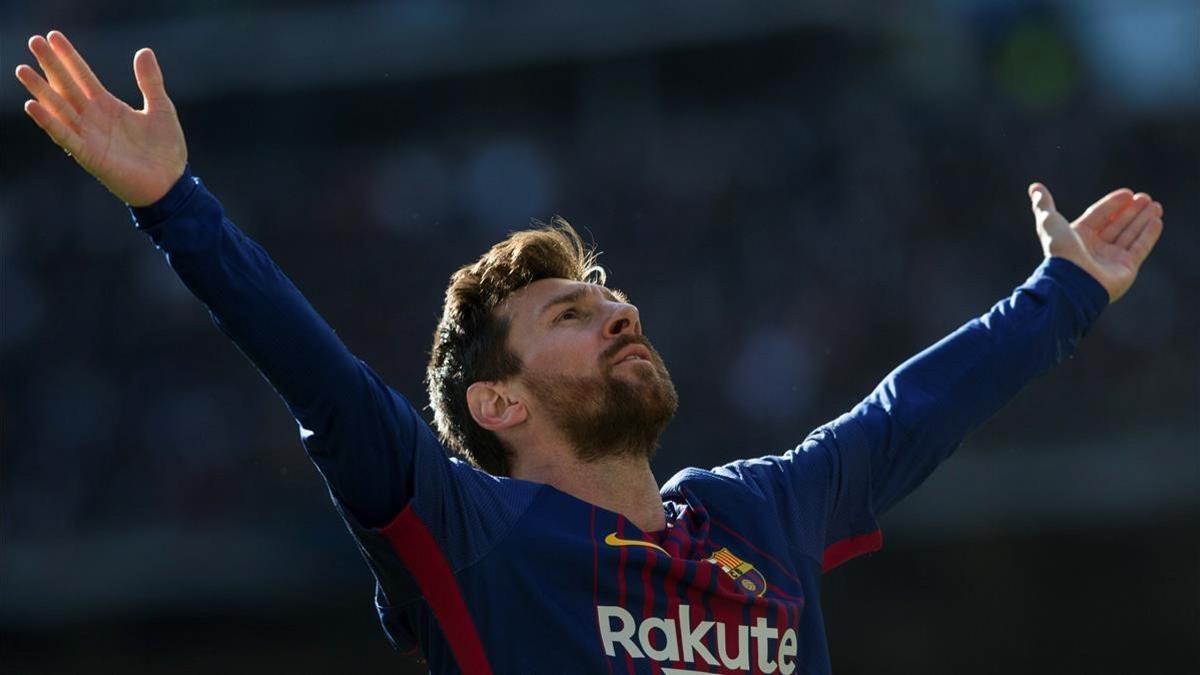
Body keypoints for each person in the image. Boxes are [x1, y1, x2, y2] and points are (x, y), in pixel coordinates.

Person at [16, 31, 1164, 675]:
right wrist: (175, 205)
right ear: (499, 403)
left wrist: (1065, 290)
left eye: (610, 298)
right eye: (572, 313)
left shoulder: (756, 520)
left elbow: (909, 413)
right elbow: (322, 380)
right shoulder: (475, 538)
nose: (620, 313)